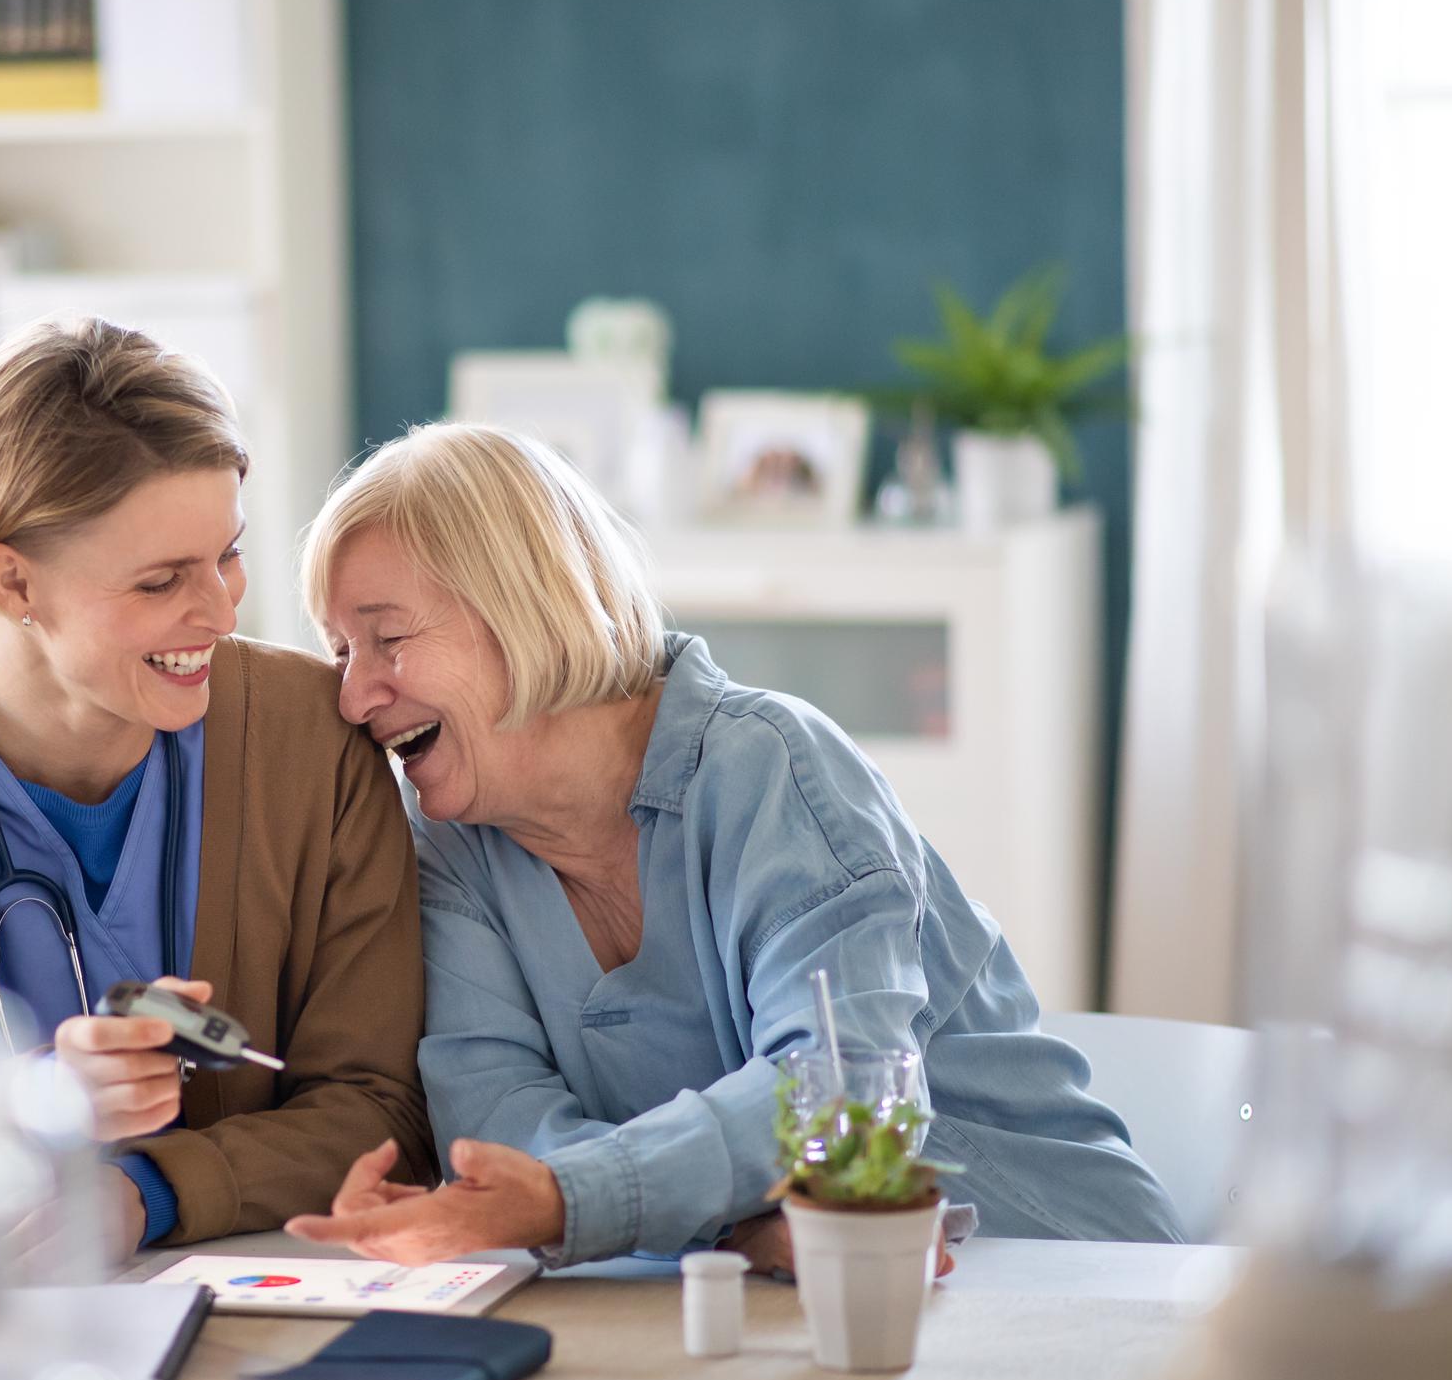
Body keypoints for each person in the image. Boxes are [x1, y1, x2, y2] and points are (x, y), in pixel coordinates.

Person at [286, 422, 1184, 1270]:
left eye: (388, 639)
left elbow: (841, 1098)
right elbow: (500, 1125)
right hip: (791, 1300)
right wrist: (733, 1228)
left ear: (527, 606)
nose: (354, 697)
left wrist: (583, 1199)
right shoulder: (453, 848)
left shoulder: (776, 770)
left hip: (1055, 1267)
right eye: (338, 654)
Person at [0, 318, 435, 1257]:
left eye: (227, 554)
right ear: (12, 580)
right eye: (161, 582)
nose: (222, 610)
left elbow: (379, 1111)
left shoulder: (316, 737)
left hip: (271, 1292)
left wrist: (143, 1193)